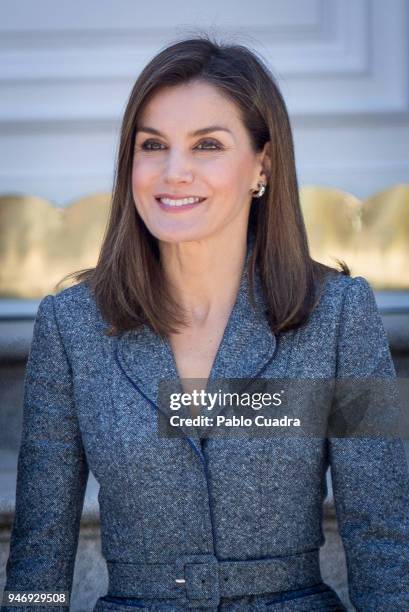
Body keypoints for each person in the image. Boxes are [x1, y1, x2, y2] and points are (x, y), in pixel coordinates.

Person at [2, 35, 409, 612]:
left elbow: (385, 541)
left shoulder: (340, 316)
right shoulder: (71, 327)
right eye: (153, 145)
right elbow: (37, 556)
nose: (174, 172)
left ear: (261, 164)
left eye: (207, 145)